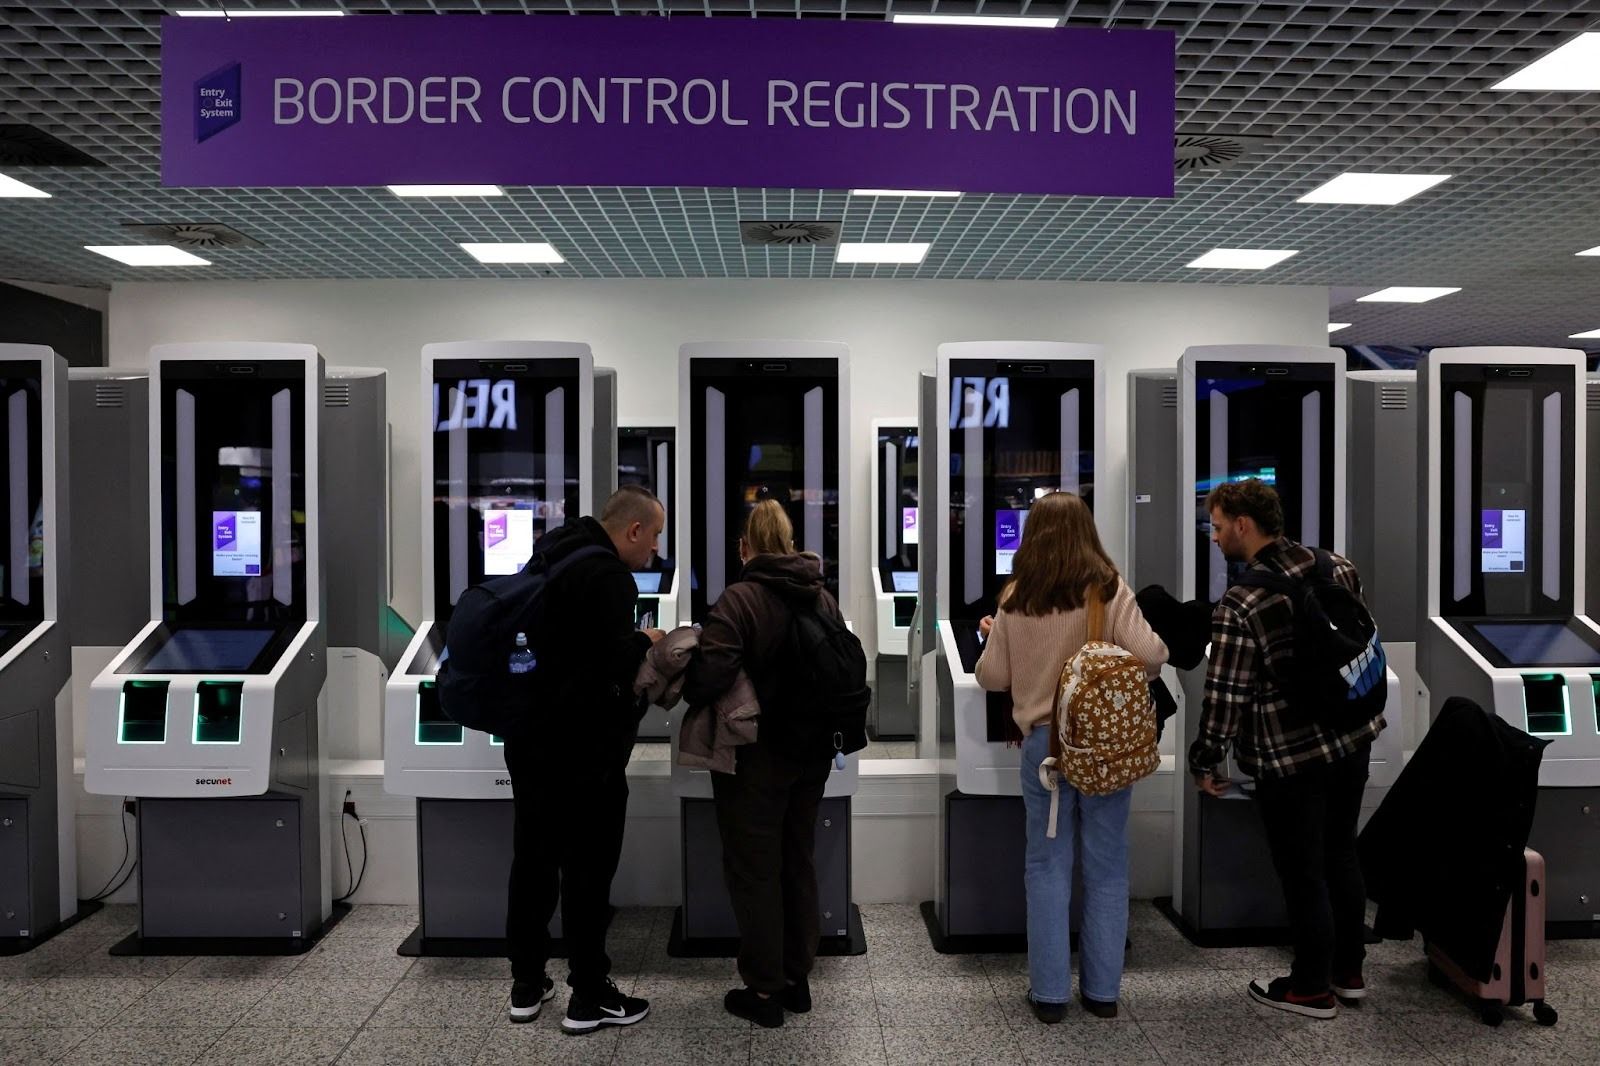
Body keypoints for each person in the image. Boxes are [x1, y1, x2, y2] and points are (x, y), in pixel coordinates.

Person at [1189, 478, 1386, 1020]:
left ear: (1243, 526)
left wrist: (1205, 759)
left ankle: (1309, 988)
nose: (1215, 536)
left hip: (1289, 757)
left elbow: (1225, 694)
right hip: (1353, 737)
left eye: (1218, 525)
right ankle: (1349, 973)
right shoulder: (1337, 567)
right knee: (1342, 851)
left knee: (1302, 870)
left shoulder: (1243, 600)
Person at [974, 492, 1167, 1023]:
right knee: (1107, 864)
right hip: (1104, 748)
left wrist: (1001, 640)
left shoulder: (1017, 596)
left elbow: (991, 678)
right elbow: (1153, 656)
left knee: (1046, 864)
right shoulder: (1108, 590)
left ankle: (1050, 995)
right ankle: (1103, 994)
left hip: (1044, 748)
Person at [504, 484, 666, 1032]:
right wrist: (648, 640)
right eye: (655, 538)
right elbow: (605, 665)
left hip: (527, 741)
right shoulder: (610, 577)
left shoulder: (551, 551)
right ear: (634, 530)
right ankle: (589, 996)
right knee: (587, 871)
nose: (654, 554)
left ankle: (526, 984)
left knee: (532, 860)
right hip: (584, 750)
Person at [681, 500, 841, 1029]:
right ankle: (797, 980)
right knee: (798, 857)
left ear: (744, 547)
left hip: (754, 758)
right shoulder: (821, 596)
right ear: (790, 542)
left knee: (754, 869)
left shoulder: (739, 600)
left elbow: (710, 680)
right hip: (812, 753)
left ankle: (764, 991)